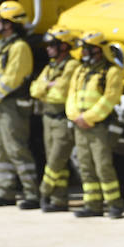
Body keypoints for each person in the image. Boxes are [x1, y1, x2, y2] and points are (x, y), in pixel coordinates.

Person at [0, 0, 38, 208]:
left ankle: (31, 193)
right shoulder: (1, 45)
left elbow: (12, 79)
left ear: (10, 23)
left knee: (15, 148)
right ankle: (5, 191)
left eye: (0, 21)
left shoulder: (20, 47)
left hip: (12, 106)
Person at [67, 31, 124, 219]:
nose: (82, 52)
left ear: (98, 50)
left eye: (86, 48)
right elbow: (71, 95)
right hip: (80, 125)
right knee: (85, 166)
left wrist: (89, 118)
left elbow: (110, 99)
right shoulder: (80, 70)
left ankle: (114, 205)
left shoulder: (112, 71)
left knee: (103, 166)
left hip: (99, 126)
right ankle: (92, 205)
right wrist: (75, 116)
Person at [31, 27, 80, 212]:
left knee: (55, 160)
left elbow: (61, 91)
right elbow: (34, 90)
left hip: (61, 119)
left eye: (52, 45)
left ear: (64, 47)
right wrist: (47, 85)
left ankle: (44, 192)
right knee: (56, 162)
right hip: (47, 118)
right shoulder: (51, 66)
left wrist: (46, 87)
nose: (48, 49)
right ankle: (59, 200)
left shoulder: (72, 66)